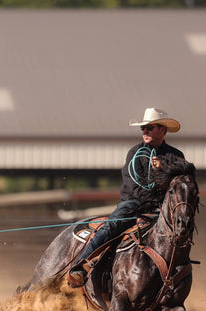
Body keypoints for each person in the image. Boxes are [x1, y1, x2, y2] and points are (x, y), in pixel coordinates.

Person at [67, 107, 185, 287]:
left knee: (181, 231)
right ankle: (79, 266)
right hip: (134, 205)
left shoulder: (175, 157)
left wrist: (165, 168)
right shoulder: (134, 153)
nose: (145, 131)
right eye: (143, 128)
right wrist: (153, 202)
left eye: (149, 127)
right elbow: (133, 186)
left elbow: (186, 175)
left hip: (163, 209)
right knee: (111, 227)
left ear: (162, 130)